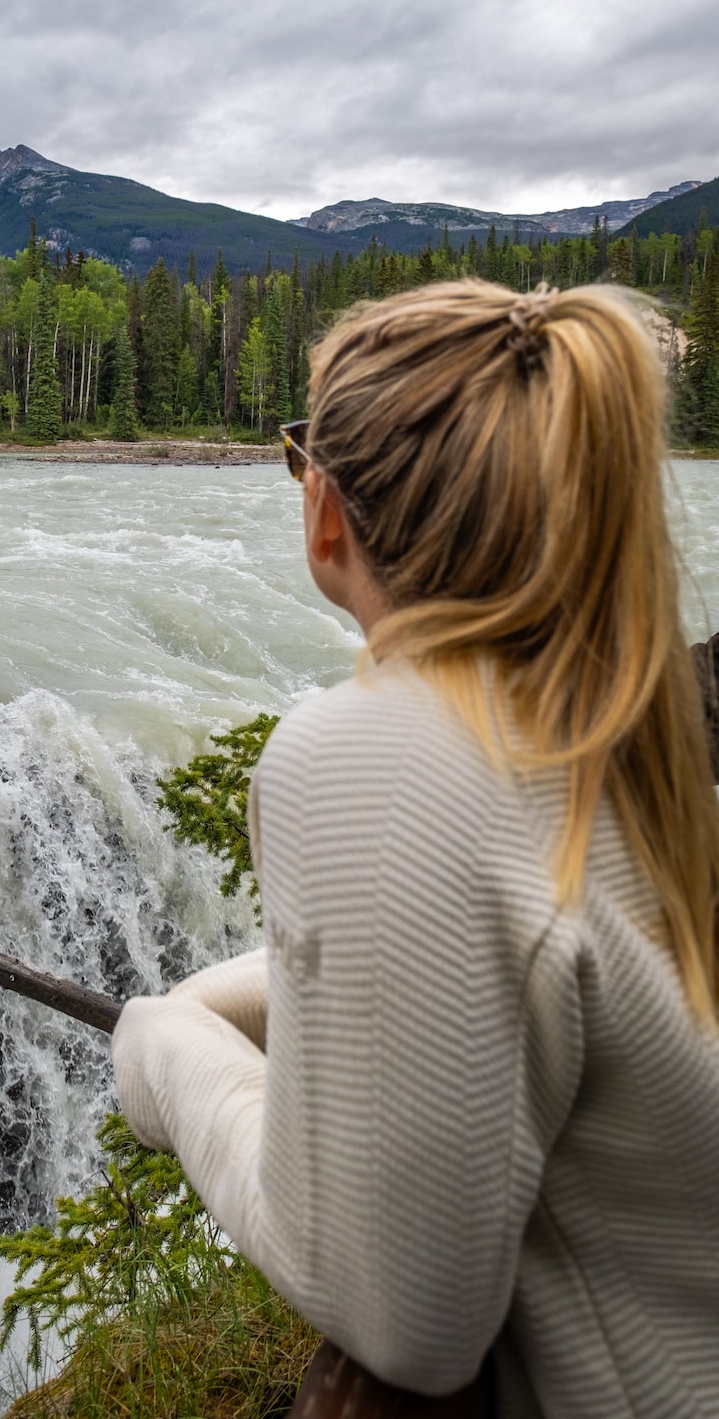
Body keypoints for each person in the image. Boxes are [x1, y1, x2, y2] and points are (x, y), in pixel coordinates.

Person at [111, 279, 719, 1419]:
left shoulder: (381, 749)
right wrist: (251, 990)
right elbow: (541, 950)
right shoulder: (607, 706)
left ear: (326, 510)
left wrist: (168, 1053)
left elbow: (402, 1321)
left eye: (298, 458)